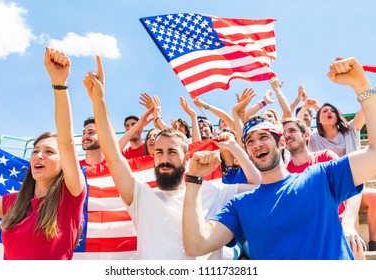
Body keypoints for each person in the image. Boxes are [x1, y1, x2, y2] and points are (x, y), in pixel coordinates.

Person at [182, 57, 376, 259]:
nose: (257, 144)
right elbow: (197, 246)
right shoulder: (241, 205)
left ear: (282, 143)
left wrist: (362, 86)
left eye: (264, 137)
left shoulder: (322, 176)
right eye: (249, 141)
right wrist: (194, 180)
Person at [82, 55, 261, 259]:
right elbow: (113, 155)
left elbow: (257, 185)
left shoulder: (214, 191)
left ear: (186, 159)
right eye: (159, 152)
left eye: (172, 152)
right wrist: (99, 100)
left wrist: (234, 148)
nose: (164, 158)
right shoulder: (141, 196)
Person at [0, 48, 86, 259]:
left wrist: (59, 84)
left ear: (63, 163)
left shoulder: (70, 197)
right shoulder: (12, 203)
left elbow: (67, 142)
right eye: (35, 151)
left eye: (49, 151)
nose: (38, 156)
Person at [282, 117, 365, 259]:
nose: (287, 135)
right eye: (283, 133)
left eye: (292, 130)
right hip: (307, 234)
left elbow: (354, 185)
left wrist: (348, 223)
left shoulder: (325, 157)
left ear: (306, 135)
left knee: (354, 248)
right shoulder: (284, 173)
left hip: (336, 227)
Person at [309, 101, 376, 252]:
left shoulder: (351, 130)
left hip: (355, 186)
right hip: (331, 191)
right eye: (324, 111)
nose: (328, 112)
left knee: (373, 197)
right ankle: (353, 247)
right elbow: (297, 125)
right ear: (318, 120)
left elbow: (367, 108)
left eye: (332, 110)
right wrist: (308, 106)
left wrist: (363, 90)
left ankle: (373, 244)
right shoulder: (314, 139)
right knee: (348, 197)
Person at [79, 117, 138, 259]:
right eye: (84, 133)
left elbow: (117, 147)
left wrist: (140, 124)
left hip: (116, 251)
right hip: (81, 246)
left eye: (91, 132)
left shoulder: (115, 167)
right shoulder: (74, 168)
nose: (86, 137)